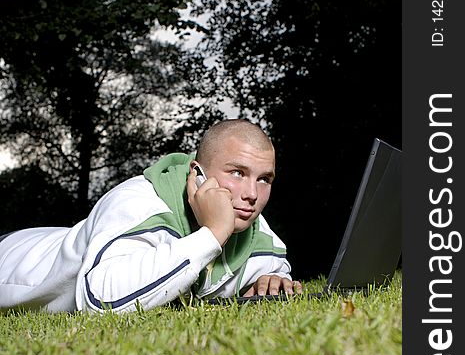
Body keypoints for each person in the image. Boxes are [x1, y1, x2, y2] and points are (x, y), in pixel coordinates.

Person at [0, 119, 301, 313]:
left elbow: (271, 265)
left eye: (265, 179)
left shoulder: (251, 222)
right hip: (16, 255)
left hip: (68, 235)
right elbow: (98, 300)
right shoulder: (138, 202)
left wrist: (272, 281)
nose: (252, 193)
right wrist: (212, 234)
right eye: (238, 173)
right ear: (197, 174)